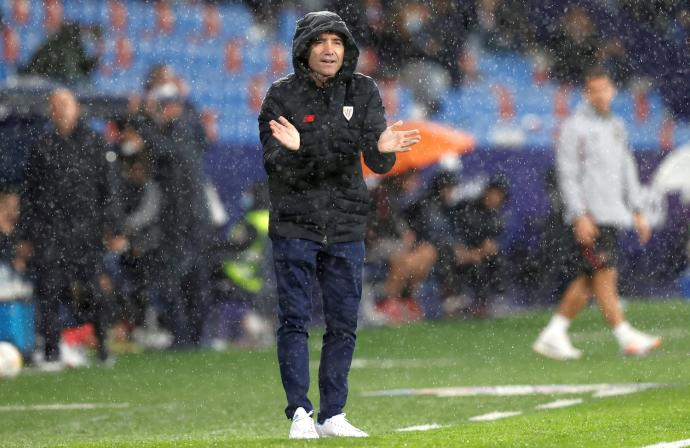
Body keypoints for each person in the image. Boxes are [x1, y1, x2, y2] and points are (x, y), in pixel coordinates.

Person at [258, 11, 420, 439]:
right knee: (294, 321)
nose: (330, 49)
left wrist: (381, 149)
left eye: (338, 41)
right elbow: (279, 167)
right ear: (304, 49)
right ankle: (299, 413)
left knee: (344, 323)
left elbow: (377, 160)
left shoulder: (364, 90)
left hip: (347, 224)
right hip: (296, 223)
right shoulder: (279, 97)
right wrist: (351, 146)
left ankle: (333, 414)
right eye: (320, 41)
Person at [533, 68, 661, 360]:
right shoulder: (574, 127)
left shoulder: (617, 125)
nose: (602, 94)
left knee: (591, 279)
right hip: (592, 215)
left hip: (613, 213)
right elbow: (567, 175)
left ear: (613, 91)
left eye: (606, 88)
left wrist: (638, 209)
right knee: (604, 274)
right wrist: (579, 214)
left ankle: (554, 333)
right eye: (595, 90)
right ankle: (626, 336)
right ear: (586, 94)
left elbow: (627, 168)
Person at [20, 89, 123, 369]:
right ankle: (51, 352)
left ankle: (103, 347)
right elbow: (31, 194)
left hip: (85, 231)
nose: (61, 110)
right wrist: (26, 234)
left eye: (66, 104)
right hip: (50, 231)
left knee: (94, 290)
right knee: (49, 291)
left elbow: (109, 188)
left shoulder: (94, 142)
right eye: (56, 106)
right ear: (51, 112)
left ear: (77, 109)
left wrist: (113, 226)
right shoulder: (42, 146)